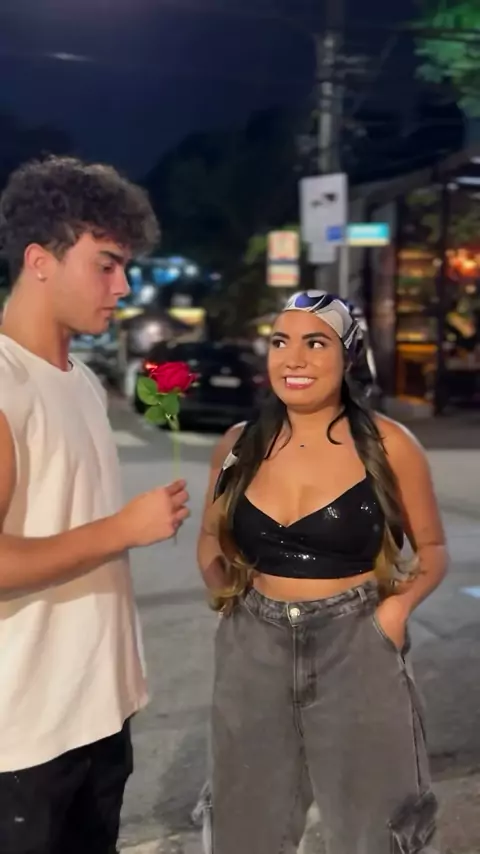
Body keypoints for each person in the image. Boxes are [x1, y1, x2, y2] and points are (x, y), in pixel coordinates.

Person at [197, 290, 447, 854]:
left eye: (315, 343)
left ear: (348, 356)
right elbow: (211, 538)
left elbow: (432, 549)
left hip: (356, 644)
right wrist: (227, 601)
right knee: (245, 823)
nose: (294, 359)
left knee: (374, 828)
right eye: (280, 342)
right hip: (253, 646)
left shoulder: (389, 445)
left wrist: (393, 615)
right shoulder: (240, 444)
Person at [0, 156, 189, 854]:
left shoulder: (80, 380)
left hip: (100, 714)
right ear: (40, 261)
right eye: (106, 265)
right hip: (26, 737)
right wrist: (122, 528)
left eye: (126, 267)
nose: (124, 287)